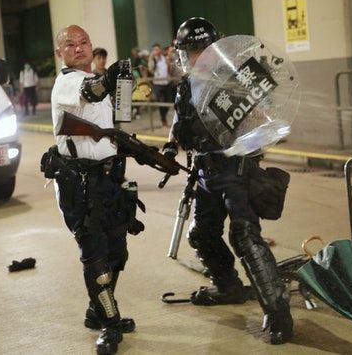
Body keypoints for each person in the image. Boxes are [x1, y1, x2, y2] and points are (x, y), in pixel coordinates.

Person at [164, 17, 293, 345]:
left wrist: (228, 132)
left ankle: (278, 312)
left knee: (245, 236)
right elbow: (180, 122)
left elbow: (262, 120)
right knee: (202, 233)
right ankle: (227, 286)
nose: (194, 57)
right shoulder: (187, 85)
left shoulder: (238, 79)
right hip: (205, 173)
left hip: (235, 169)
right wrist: (170, 145)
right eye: (189, 51)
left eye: (199, 49)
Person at [50, 25, 138, 355]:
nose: (79, 48)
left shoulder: (93, 79)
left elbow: (116, 115)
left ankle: (96, 311)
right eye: (70, 45)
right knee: (96, 256)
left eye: (84, 42)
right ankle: (109, 324)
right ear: (61, 53)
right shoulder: (68, 82)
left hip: (108, 179)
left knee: (117, 250)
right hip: (80, 183)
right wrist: (110, 78)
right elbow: (91, 91)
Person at [148, 43, 175, 126]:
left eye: (157, 49)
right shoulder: (153, 60)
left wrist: (169, 63)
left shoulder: (165, 58)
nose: (155, 51)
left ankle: (164, 116)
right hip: (158, 84)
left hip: (167, 83)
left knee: (168, 102)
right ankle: (163, 119)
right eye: (154, 50)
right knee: (160, 102)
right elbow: (150, 69)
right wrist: (151, 57)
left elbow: (170, 70)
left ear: (160, 49)